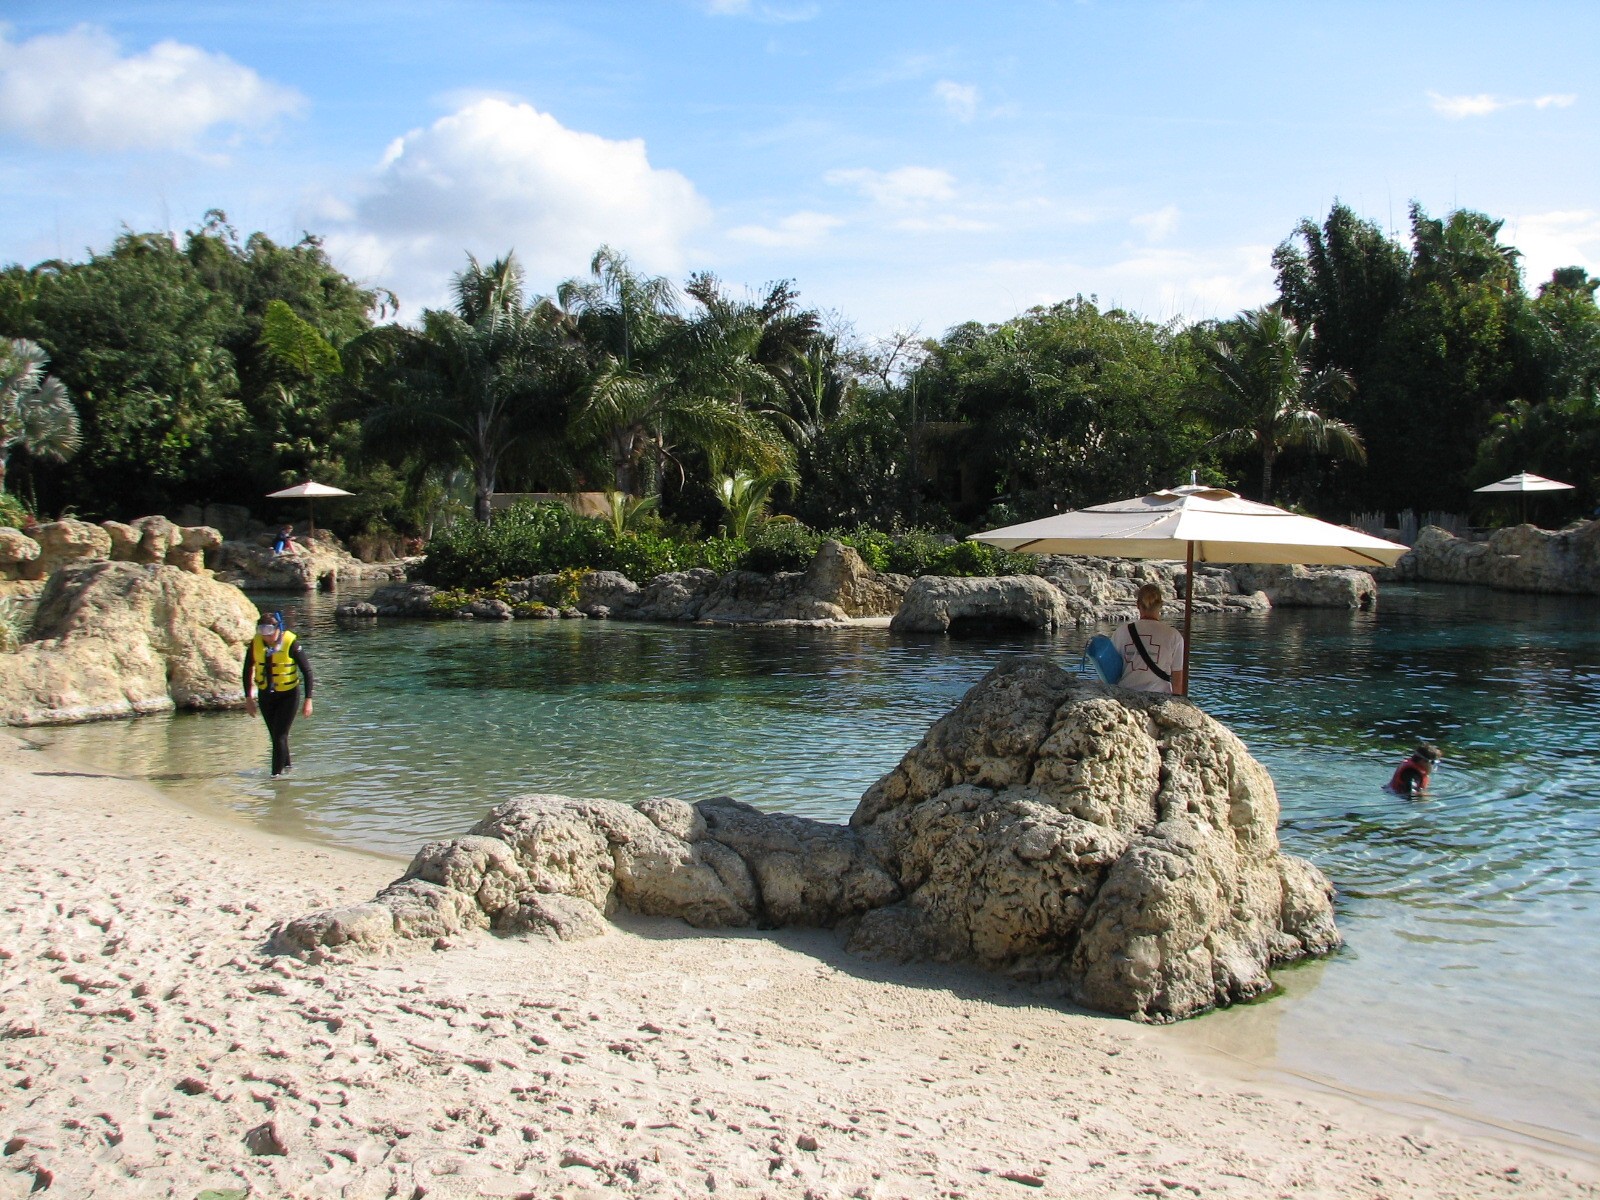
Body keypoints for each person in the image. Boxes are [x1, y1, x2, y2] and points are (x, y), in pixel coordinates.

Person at [242, 612, 314, 777]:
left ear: (278, 628)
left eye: (269, 630)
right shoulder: (255, 644)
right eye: (262, 631)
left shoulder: (291, 643)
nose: (266, 636)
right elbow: (247, 670)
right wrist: (248, 698)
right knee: (276, 736)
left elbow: (307, 672)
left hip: (289, 695)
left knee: (280, 735)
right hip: (266, 695)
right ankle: (287, 768)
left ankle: (276, 777)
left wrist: (308, 699)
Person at [1110, 582, 1186, 695]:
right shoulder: (1173, 636)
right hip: (1159, 697)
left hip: (1125, 695)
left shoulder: (1120, 632)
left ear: (1137, 605)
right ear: (1161, 605)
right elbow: (1178, 680)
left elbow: (1110, 670)